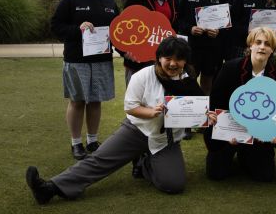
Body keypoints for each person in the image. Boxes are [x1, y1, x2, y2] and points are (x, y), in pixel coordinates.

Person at [26, 37, 217, 204]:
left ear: (185, 61)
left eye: (179, 59)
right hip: (137, 129)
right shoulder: (143, 76)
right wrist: (150, 112)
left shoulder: (188, 80)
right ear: (159, 57)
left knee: (174, 184)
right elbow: (130, 107)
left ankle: (144, 162)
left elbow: (199, 110)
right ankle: (50, 188)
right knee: (100, 159)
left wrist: (207, 116)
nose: (173, 64)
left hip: (165, 140)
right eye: (168, 58)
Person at [51, 0, 119, 160]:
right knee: (78, 101)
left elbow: (118, 32)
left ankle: (92, 140)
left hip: (101, 60)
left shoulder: (109, 3)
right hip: (77, 61)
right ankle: (76, 143)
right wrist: (77, 29)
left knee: (96, 101)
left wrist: (128, 52)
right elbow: (56, 26)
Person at [204, 27, 276, 182]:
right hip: (230, 132)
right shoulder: (230, 68)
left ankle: (246, 155)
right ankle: (230, 154)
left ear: (273, 50)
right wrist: (225, 131)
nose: (262, 47)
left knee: (265, 177)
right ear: (250, 45)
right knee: (216, 174)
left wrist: (274, 133)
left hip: (258, 137)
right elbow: (216, 101)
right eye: (258, 42)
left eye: (267, 44)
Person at [177, 0, 229, 95]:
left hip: (213, 49)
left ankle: (205, 115)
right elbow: (178, 21)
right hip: (192, 48)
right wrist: (190, 28)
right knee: (188, 82)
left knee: (208, 85)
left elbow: (227, 23)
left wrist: (219, 31)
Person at [122, 0, 179, 85]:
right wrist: (125, 52)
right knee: (136, 100)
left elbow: (177, 28)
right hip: (138, 61)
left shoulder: (174, 0)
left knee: (160, 101)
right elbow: (122, 26)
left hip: (165, 62)